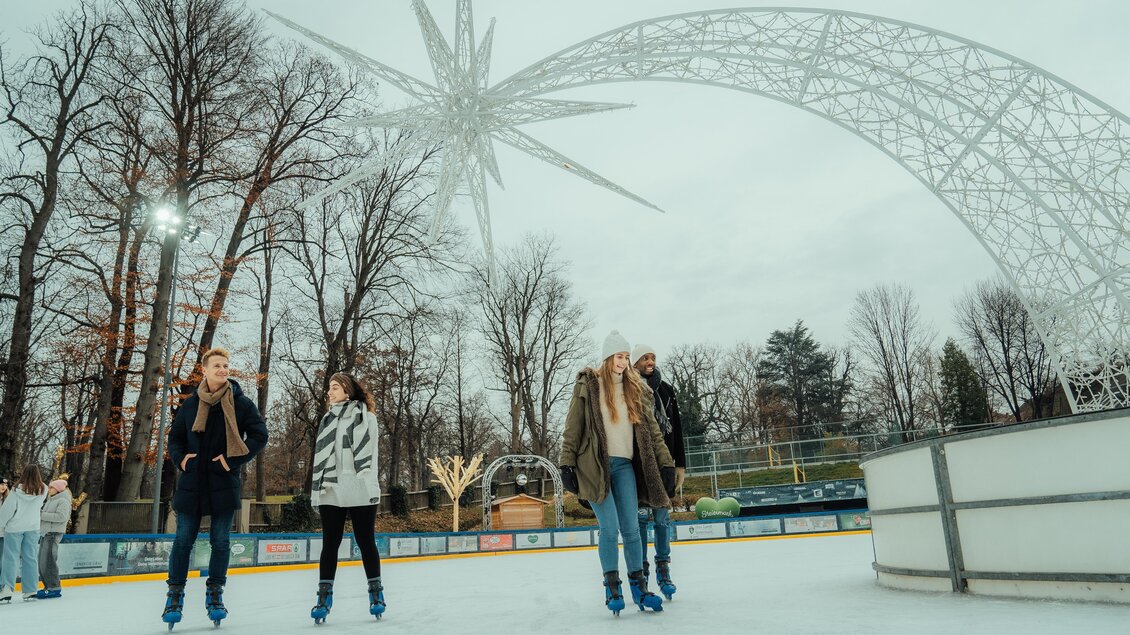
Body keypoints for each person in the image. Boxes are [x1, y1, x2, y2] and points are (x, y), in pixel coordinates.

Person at [559, 330, 676, 615]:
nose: (623, 362)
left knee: (632, 530)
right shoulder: (590, 386)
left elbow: (653, 434)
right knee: (609, 529)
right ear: (608, 357)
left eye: (626, 357)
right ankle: (613, 589)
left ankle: (641, 588)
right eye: (618, 356)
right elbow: (572, 428)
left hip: (625, 467)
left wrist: (667, 464)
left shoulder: (635, 389)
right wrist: (566, 463)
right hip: (595, 467)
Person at [163, 347, 269, 628]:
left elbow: (260, 435)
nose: (223, 370)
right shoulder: (190, 404)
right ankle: (174, 595)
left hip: (223, 481)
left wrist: (232, 460)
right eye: (217, 366)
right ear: (205, 370)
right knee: (183, 540)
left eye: (226, 366)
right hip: (192, 482)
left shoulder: (241, 403)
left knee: (220, 541)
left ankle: (215, 595)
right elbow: (174, 439)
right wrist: (182, 460)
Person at [309, 373, 384, 624]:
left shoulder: (367, 418)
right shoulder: (327, 419)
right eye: (328, 388)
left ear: (348, 391)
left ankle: (376, 594)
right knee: (330, 542)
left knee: (365, 541)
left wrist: (368, 484)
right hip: (331, 487)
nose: (329, 392)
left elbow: (369, 455)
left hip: (360, 486)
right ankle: (323, 596)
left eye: (334, 387)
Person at [632, 344, 687, 600]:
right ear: (635, 363)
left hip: (665, 463)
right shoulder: (629, 390)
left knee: (662, 519)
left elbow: (676, 428)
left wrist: (680, 465)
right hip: (639, 466)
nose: (650, 361)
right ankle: (641, 571)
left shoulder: (666, 391)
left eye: (652, 357)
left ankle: (663, 570)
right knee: (641, 520)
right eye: (645, 358)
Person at [0, 465, 48, 602]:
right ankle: (31, 590)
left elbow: (7, 511)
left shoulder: (16, 490)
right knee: (30, 557)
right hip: (33, 527)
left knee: (10, 558)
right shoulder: (43, 490)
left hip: (14, 528)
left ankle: (7, 589)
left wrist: (1, 524)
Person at [36, 478, 72, 599]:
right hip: (46, 533)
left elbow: (61, 517)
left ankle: (54, 587)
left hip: (53, 533)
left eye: (51, 487)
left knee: (49, 561)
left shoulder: (63, 501)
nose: (49, 490)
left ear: (57, 489)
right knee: (42, 561)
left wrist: (41, 514)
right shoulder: (51, 500)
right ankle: (48, 586)